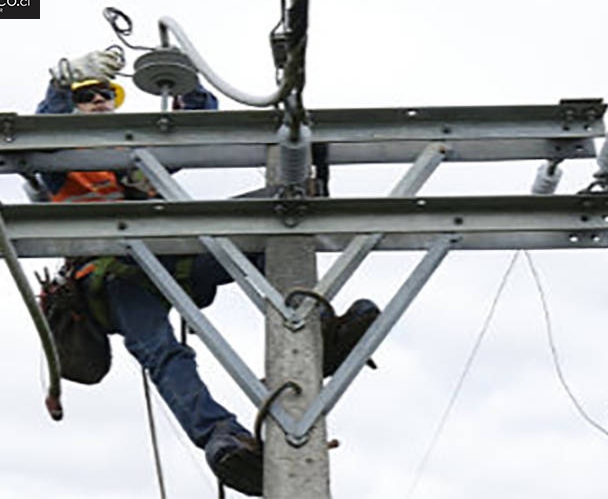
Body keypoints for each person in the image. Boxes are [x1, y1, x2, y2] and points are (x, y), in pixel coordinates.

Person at [35, 49, 381, 497]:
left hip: (173, 260)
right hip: (117, 275)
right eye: (88, 96)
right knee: (162, 352)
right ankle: (222, 438)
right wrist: (63, 83)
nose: (100, 100)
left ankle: (316, 335)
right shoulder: (58, 159)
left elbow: (199, 125)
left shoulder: (135, 151)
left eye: (105, 94)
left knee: (264, 227)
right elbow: (41, 134)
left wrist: (184, 81)